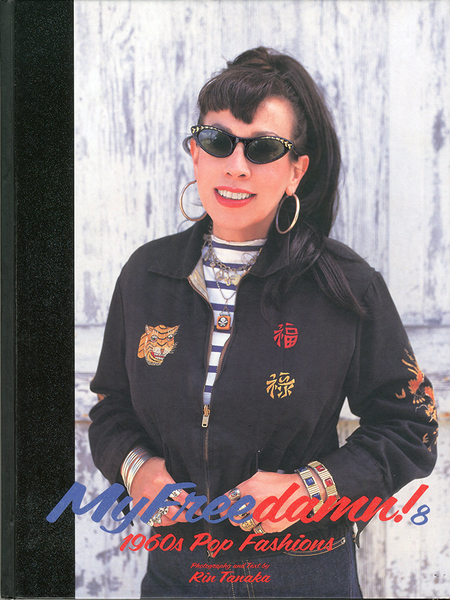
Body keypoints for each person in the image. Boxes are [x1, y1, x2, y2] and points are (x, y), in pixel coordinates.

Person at [89, 47, 438, 598]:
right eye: (218, 141)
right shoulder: (147, 276)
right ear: (195, 153)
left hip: (305, 572)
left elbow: (410, 425)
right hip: (179, 572)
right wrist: (138, 469)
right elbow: (112, 407)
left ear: (296, 170)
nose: (236, 165)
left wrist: (307, 490)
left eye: (264, 148)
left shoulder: (346, 286)